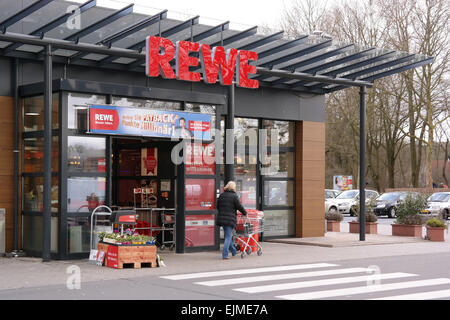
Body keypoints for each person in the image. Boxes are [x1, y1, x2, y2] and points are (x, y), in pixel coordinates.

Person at [216, 181, 247, 260]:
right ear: (233, 187)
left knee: (228, 236)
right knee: (228, 237)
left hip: (222, 218)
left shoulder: (221, 195)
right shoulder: (234, 196)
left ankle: (233, 251)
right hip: (230, 219)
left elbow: (217, 206)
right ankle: (225, 255)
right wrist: (245, 213)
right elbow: (239, 206)